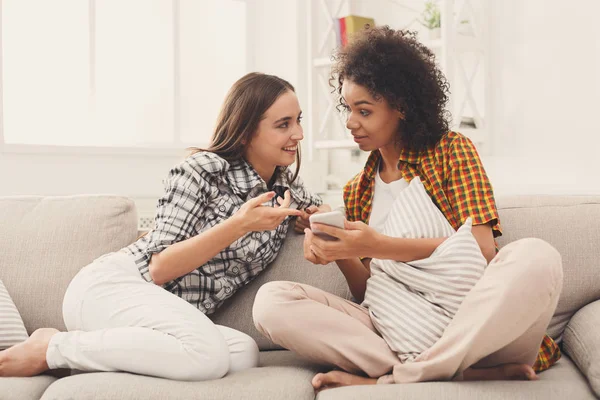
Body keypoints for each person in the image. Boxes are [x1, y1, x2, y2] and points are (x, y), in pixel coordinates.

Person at [252, 26, 563, 390]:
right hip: (400, 330)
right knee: (272, 302)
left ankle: (403, 375)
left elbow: (482, 251)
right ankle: (448, 371)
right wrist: (339, 249)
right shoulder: (358, 189)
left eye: (364, 111)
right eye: (348, 109)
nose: (351, 122)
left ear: (401, 107)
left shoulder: (451, 152)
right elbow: (372, 294)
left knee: (536, 256)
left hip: (477, 327)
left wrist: (375, 245)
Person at [0, 72, 327, 381]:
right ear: (244, 131)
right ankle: (51, 348)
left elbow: (320, 210)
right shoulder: (202, 171)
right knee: (208, 354)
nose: (297, 134)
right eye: (283, 124)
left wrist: (320, 216)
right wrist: (239, 225)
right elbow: (160, 267)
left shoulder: (287, 192)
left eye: (298, 121)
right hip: (115, 287)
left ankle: (92, 353)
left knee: (243, 352)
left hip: (163, 319)